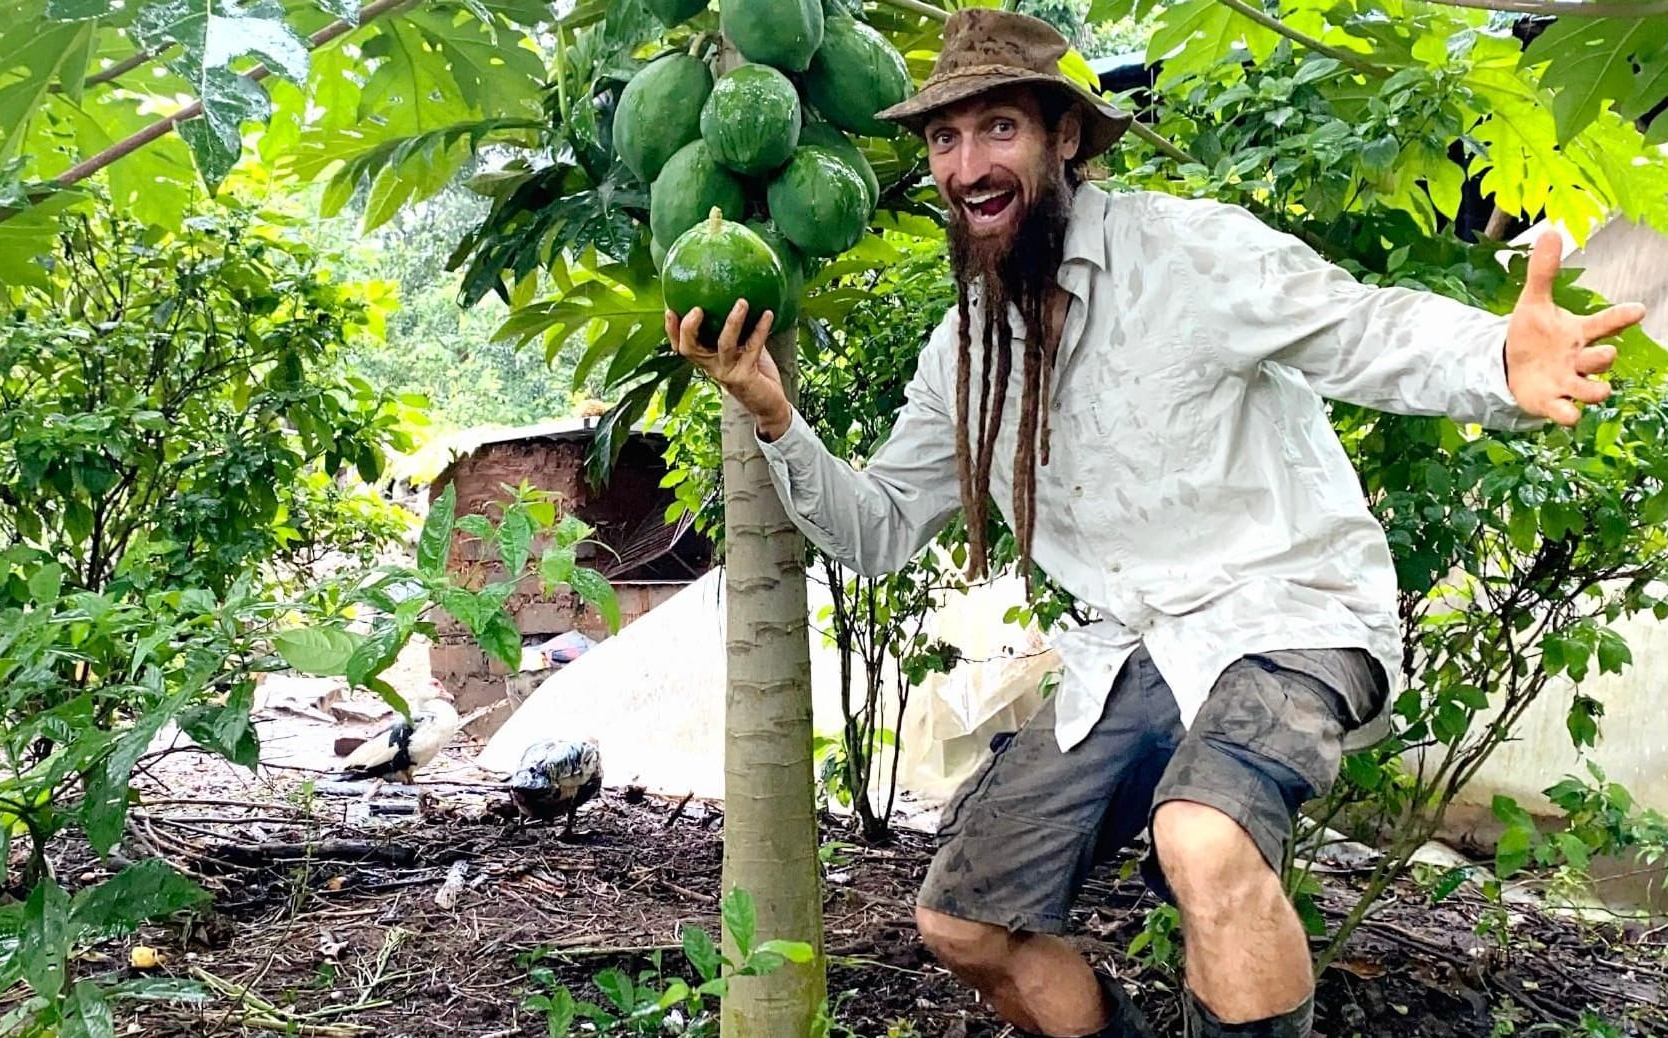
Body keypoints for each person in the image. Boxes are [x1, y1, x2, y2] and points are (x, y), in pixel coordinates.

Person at [664, 9, 1646, 1038]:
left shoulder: (1189, 252)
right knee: (963, 924)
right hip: (1130, 647)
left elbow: (1359, 326)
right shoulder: (964, 350)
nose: (964, 164)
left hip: (1287, 609)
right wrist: (773, 414)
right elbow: (877, 532)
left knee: (1204, 838)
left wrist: (1497, 360)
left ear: (1067, 138)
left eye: (997, 127)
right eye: (943, 140)